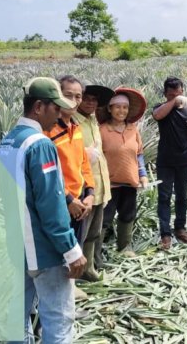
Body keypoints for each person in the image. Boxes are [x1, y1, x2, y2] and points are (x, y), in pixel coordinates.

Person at [0, 77, 86, 344]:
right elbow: (51, 204)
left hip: (17, 247)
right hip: (44, 249)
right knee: (58, 320)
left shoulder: (8, 141)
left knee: (18, 317)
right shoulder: (40, 144)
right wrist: (71, 250)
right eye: (55, 108)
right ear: (38, 107)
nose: (60, 114)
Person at [44, 76, 96, 273]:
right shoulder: (48, 130)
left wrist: (90, 192)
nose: (73, 100)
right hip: (60, 200)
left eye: (78, 96)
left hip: (80, 199)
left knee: (76, 245)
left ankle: (71, 285)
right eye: (68, 95)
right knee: (59, 249)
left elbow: (84, 163)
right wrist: (68, 199)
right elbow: (48, 173)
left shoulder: (76, 128)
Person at [151, 77, 187, 250]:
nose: (175, 96)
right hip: (165, 162)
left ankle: (180, 228)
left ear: (183, 91)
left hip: (184, 161)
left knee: (182, 196)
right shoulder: (161, 108)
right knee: (164, 197)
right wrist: (174, 101)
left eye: (178, 93)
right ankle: (165, 233)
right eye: (171, 94)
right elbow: (157, 115)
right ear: (165, 94)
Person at [100, 87, 149, 257]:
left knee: (128, 214)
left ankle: (124, 247)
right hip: (109, 183)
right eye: (117, 107)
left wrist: (143, 175)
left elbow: (139, 154)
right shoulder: (102, 130)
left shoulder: (133, 129)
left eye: (125, 107)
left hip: (129, 181)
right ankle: (95, 251)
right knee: (104, 219)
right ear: (109, 109)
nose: (122, 111)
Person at [73, 84, 114, 278]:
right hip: (83, 188)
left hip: (99, 184)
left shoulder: (93, 120)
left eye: (94, 100)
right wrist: (83, 153)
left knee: (93, 231)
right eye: (86, 98)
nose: (90, 103)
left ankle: (89, 268)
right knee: (80, 232)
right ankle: (77, 273)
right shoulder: (72, 120)